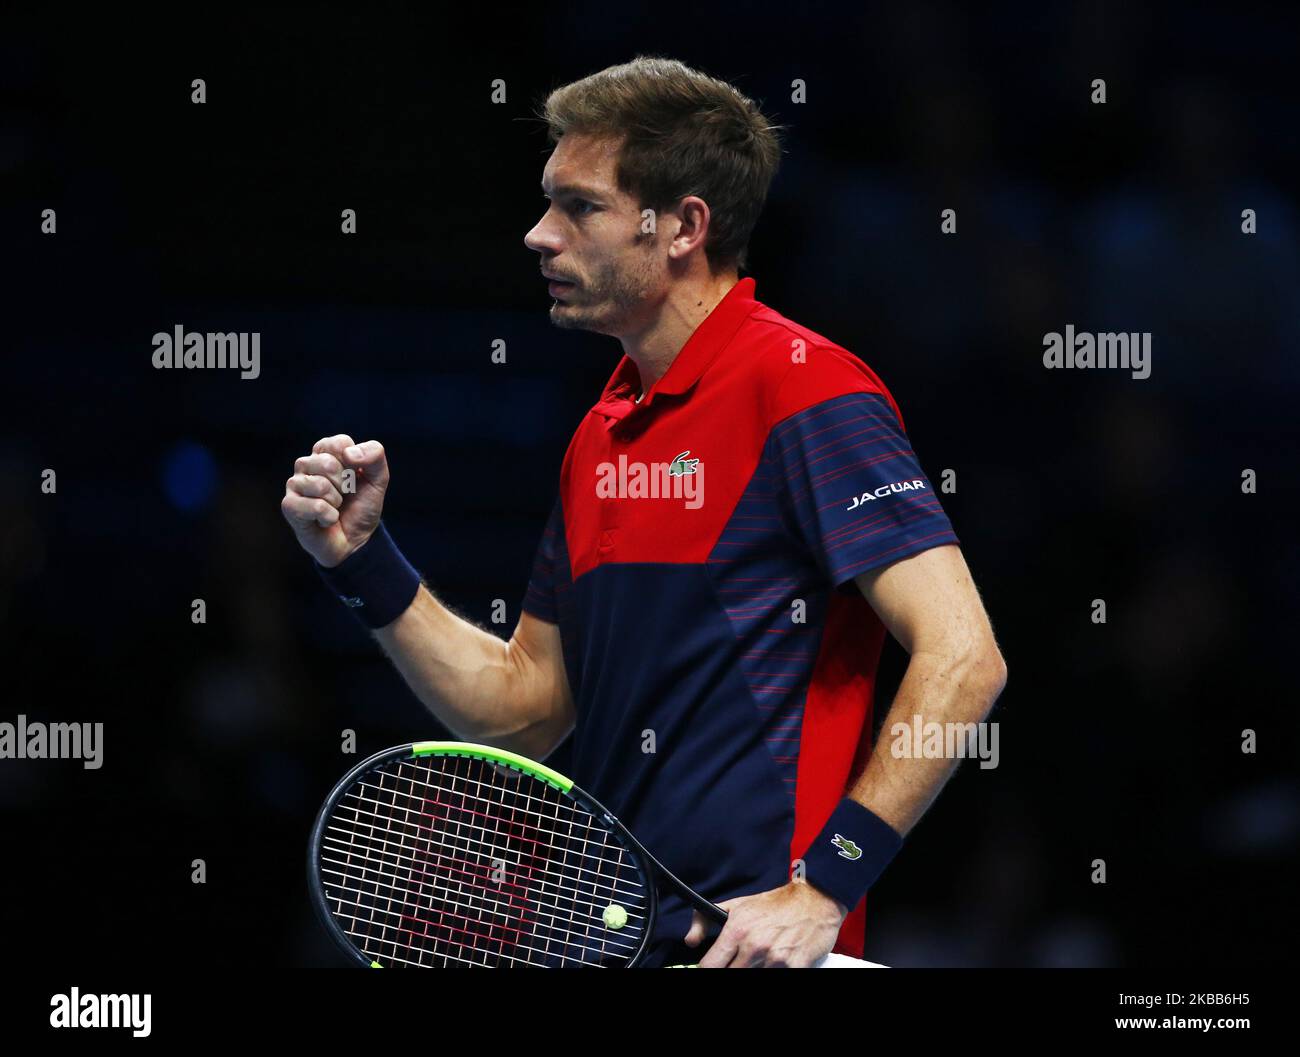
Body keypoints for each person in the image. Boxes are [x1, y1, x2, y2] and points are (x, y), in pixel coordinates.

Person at [281, 56, 1006, 968]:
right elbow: (524, 712)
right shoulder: (600, 435)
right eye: (548, 201)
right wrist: (361, 561)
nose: (539, 235)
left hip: (762, 951)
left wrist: (826, 882)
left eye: (580, 207)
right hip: (619, 947)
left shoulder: (806, 390)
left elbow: (965, 657)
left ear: (683, 227)